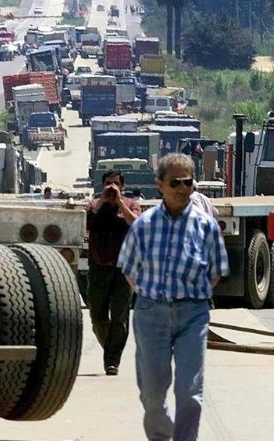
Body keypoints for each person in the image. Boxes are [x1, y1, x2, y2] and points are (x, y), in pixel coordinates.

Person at [118, 153, 229, 441]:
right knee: (152, 393)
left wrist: (192, 296)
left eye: (188, 182)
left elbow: (216, 272)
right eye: (175, 182)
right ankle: (160, 436)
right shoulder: (144, 225)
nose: (182, 188)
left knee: (190, 392)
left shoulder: (206, 226)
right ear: (160, 185)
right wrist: (148, 297)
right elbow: (129, 269)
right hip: (150, 314)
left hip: (193, 316)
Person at [86, 170, 141, 376]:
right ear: (101, 185)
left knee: (119, 316)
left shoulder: (131, 203)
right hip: (99, 267)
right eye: (108, 183)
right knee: (97, 317)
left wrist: (120, 202)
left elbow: (136, 223)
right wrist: (102, 202)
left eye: (115, 183)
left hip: (124, 269)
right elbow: (86, 223)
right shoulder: (94, 205)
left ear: (122, 186)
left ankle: (112, 361)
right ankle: (111, 348)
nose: (111, 187)